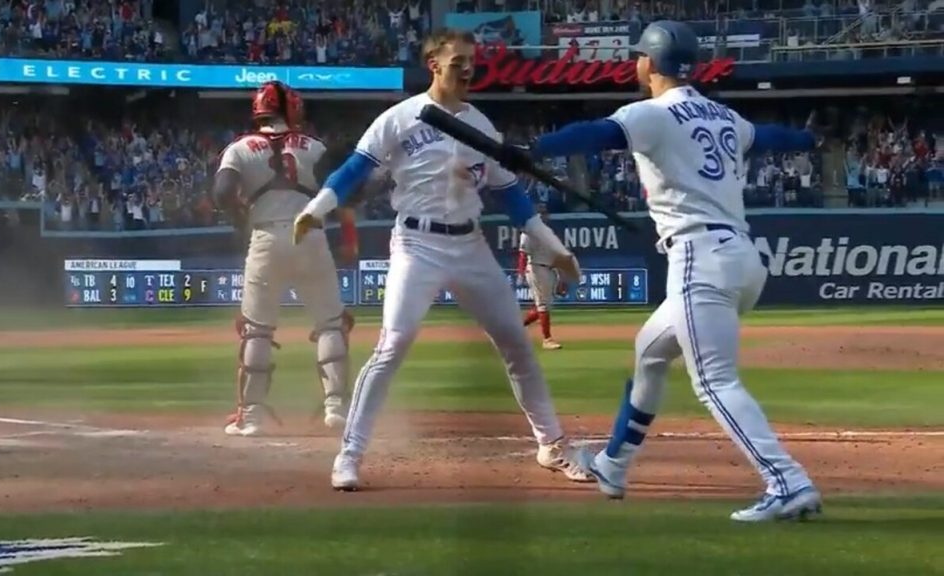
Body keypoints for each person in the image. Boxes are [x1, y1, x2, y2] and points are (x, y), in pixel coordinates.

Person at [528, 21, 823, 522]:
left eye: (640, 56)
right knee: (649, 353)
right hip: (741, 259)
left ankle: (787, 482)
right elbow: (771, 137)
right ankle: (613, 466)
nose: (636, 63)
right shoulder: (723, 115)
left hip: (699, 258)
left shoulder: (652, 113)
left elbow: (595, 134)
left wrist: (536, 149)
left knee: (714, 382)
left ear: (650, 62)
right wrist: (808, 139)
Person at [292, 28, 592, 491]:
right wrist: (316, 209)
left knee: (515, 342)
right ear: (433, 64)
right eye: (458, 62)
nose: (468, 69)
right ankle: (349, 455)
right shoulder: (399, 118)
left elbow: (511, 196)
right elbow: (354, 169)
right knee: (393, 344)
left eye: (472, 61)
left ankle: (552, 445)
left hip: (470, 245)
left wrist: (553, 246)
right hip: (416, 244)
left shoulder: (482, 126)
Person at [213, 80, 358, 437]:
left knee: (257, 330)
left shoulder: (239, 148)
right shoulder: (314, 147)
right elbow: (343, 195)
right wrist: (350, 240)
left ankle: (251, 417)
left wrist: (239, 218)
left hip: (265, 236)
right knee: (329, 323)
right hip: (310, 235)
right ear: (292, 110)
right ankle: (336, 408)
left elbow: (221, 193)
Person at [517, 204, 565, 350]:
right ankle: (547, 339)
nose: (545, 216)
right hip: (536, 268)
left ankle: (513, 329)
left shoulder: (547, 232)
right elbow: (523, 254)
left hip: (548, 268)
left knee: (544, 306)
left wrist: (560, 275)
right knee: (542, 305)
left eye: (545, 213)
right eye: (542, 214)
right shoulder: (528, 232)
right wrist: (520, 273)